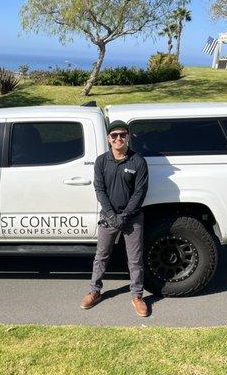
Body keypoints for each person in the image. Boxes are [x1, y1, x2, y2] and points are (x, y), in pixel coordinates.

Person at [80, 120, 149, 316]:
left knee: (135, 260)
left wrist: (125, 215)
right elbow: (99, 189)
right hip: (108, 217)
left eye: (122, 135)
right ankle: (95, 291)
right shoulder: (101, 161)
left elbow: (140, 193)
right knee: (101, 256)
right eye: (114, 135)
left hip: (132, 218)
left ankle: (137, 296)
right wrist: (112, 215)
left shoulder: (138, 161)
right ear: (108, 139)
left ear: (128, 137)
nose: (119, 138)